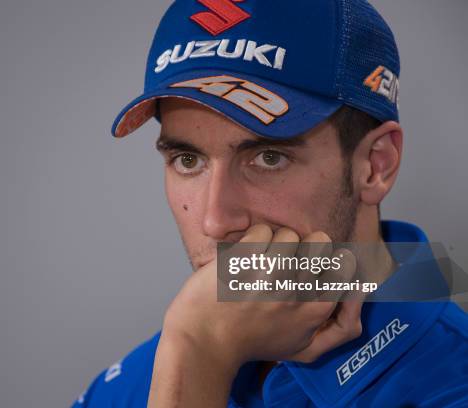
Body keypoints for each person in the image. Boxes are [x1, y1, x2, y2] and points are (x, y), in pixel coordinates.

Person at [72, 0, 468, 406]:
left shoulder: (454, 383)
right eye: (188, 160)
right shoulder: (138, 379)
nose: (215, 221)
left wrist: (200, 356)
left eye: (269, 158)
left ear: (375, 165)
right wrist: (196, 353)